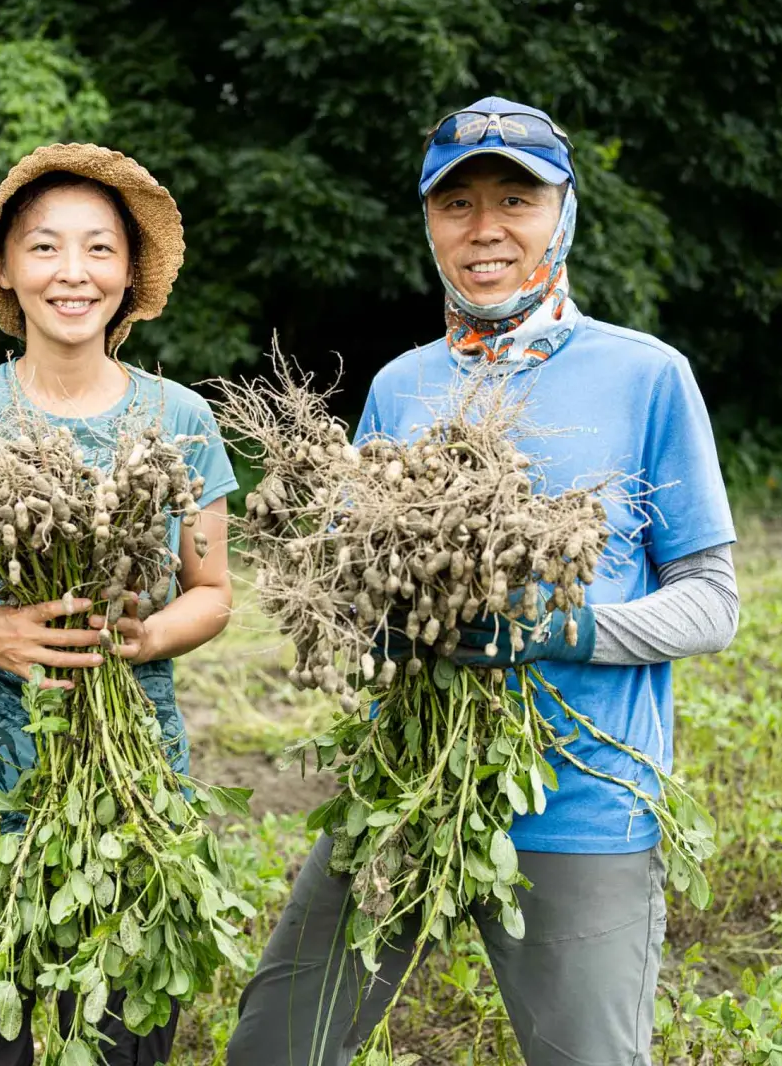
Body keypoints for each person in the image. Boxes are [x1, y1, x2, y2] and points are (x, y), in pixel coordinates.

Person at [227, 96, 739, 1066]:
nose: (486, 228)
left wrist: (567, 628)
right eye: (456, 204)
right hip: (407, 780)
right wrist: (362, 614)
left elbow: (714, 601)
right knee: (275, 1047)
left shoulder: (648, 376)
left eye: (516, 197)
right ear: (429, 225)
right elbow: (353, 577)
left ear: (565, 213)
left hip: (584, 804)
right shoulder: (400, 386)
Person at [0, 144, 237, 1066]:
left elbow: (212, 595)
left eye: (98, 249)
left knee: (122, 1036)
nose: (72, 273)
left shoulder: (179, 422)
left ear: (129, 272)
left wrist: (145, 633)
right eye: (43, 248)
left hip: (129, 787)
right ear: (3, 268)